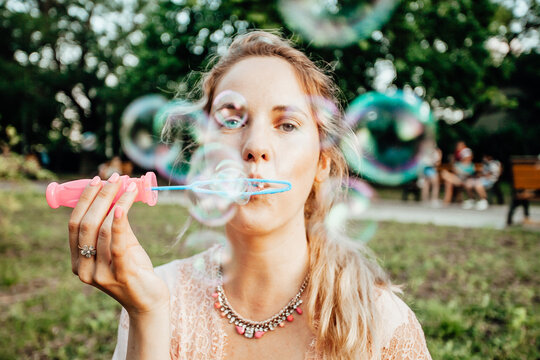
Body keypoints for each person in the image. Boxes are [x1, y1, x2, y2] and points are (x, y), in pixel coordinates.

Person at [66, 31, 431, 359]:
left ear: (322, 162)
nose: (255, 146)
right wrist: (147, 316)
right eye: (231, 120)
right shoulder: (154, 295)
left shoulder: (382, 325)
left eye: (286, 124)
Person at [418, 140, 442, 207]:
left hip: (424, 168)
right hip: (430, 168)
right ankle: (434, 200)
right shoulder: (434, 151)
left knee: (426, 184)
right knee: (435, 184)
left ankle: (425, 200)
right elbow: (437, 162)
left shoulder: (424, 150)